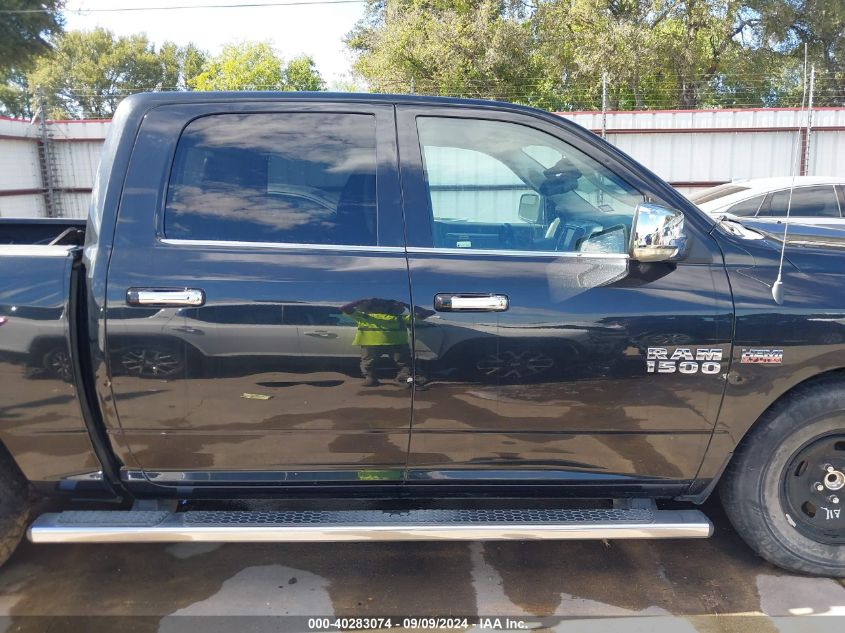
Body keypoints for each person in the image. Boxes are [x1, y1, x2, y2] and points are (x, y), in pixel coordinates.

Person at [340, 298, 412, 387]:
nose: (381, 308)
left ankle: (370, 378)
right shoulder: (400, 318)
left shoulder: (364, 316)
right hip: (397, 344)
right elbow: (425, 314)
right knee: (404, 363)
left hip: (372, 344)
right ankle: (403, 378)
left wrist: (361, 301)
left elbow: (344, 308)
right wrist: (405, 305)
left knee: (368, 364)